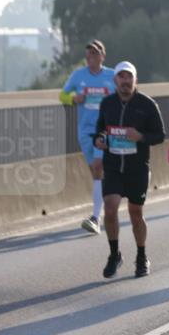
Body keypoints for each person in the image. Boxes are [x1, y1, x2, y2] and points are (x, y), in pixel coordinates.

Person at [93, 61, 165, 278]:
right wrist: (100, 140)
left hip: (137, 168)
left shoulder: (147, 104)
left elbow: (160, 135)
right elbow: (100, 131)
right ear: (115, 80)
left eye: (129, 77)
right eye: (121, 77)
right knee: (111, 206)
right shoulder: (107, 104)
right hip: (114, 165)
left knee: (136, 213)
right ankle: (114, 254)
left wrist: (140, 136)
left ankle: (141, 255)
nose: (125, 81)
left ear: (135, 80)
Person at [60, 40, 115, 235]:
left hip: (105, 129)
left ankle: (95, 217)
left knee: (98, 168)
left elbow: (125, 95)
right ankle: (108, 198)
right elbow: (62, 96)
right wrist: (73, 99)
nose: (90, 57)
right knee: (95, 170)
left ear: (102, 56)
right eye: (88, 54)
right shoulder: (78, 75)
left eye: (94, 53)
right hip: (84, 130)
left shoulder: (112, 75)